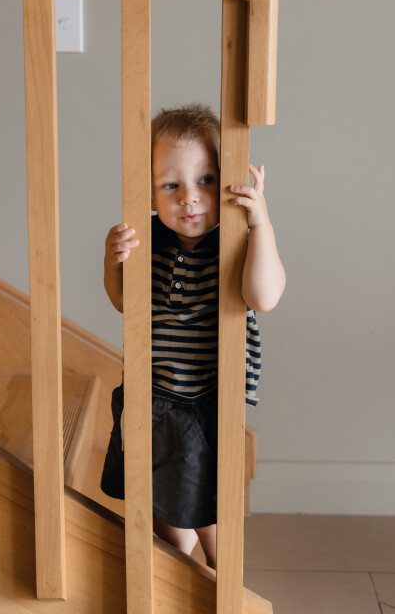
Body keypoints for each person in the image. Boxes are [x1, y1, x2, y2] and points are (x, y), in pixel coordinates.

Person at [100, 104, 285, 569]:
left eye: (206, 180)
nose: (190, 198)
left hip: (205, 402)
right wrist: (113, 261)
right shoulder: (148, 240)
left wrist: (260, 223)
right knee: (162, 508)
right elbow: (124, 302)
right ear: (147, 191)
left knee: (208, 510)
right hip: (150, 394)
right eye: (171, 186)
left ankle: (223, 578)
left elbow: (263, 296)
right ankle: (175, 574)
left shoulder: (236, 241)